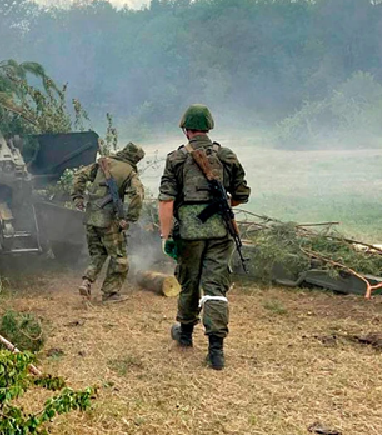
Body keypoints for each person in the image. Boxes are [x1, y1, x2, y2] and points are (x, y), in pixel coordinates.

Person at [157, 105, 250, 370]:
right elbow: (241, 195)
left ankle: (185, 334)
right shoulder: (227, 156)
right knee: (215, 287)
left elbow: (166, 202)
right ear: (209, 127)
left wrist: (166, 236)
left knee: (189, 281)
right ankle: (216, 348)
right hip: (221, 231)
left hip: (188, 233)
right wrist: (221, 205)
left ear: (186, 130)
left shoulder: (176, 159)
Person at [72, 142, 145, 303]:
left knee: (98, 254)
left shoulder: (103, 163)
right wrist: (129, 218)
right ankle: (110, 293)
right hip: (109, 221)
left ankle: (86, 282)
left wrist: (77, 197)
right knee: (119, 256)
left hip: (91, 218)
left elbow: (79, 175)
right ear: (135, 159)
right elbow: (138, 196)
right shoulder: (129, 172)